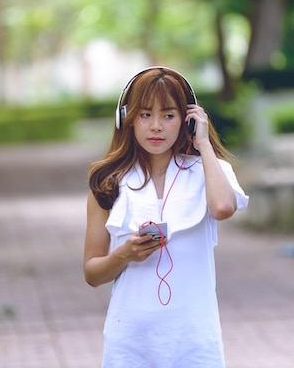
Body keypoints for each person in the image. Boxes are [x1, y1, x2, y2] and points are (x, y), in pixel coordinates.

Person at [83, 66, 249, 368]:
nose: (156, 126)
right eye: (145, 115)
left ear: (187, 121)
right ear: (126, 118)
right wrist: (124, 255)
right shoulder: (107, 181)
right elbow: (92, 273)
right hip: (130, 345)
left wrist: (204, 144)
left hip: (194, 343)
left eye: (169, 116)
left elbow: (223, 208)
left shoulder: (209, 171)